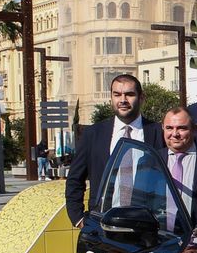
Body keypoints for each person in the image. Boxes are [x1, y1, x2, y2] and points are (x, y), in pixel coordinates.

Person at [64, 74, 164, 226]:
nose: (123, 100)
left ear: (142, 98)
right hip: (102, 224)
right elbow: (75, 180)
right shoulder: (93, 134)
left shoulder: (158, 132)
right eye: (117, 95)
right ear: (111, 98)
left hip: (147, 225)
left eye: (129, 94)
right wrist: (78, 218)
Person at [160, 106, 197, 231]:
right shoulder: (152, 160)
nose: (175, 134)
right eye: (169, 128)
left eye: (182, 128)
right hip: (160, 240)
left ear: (195, 129)